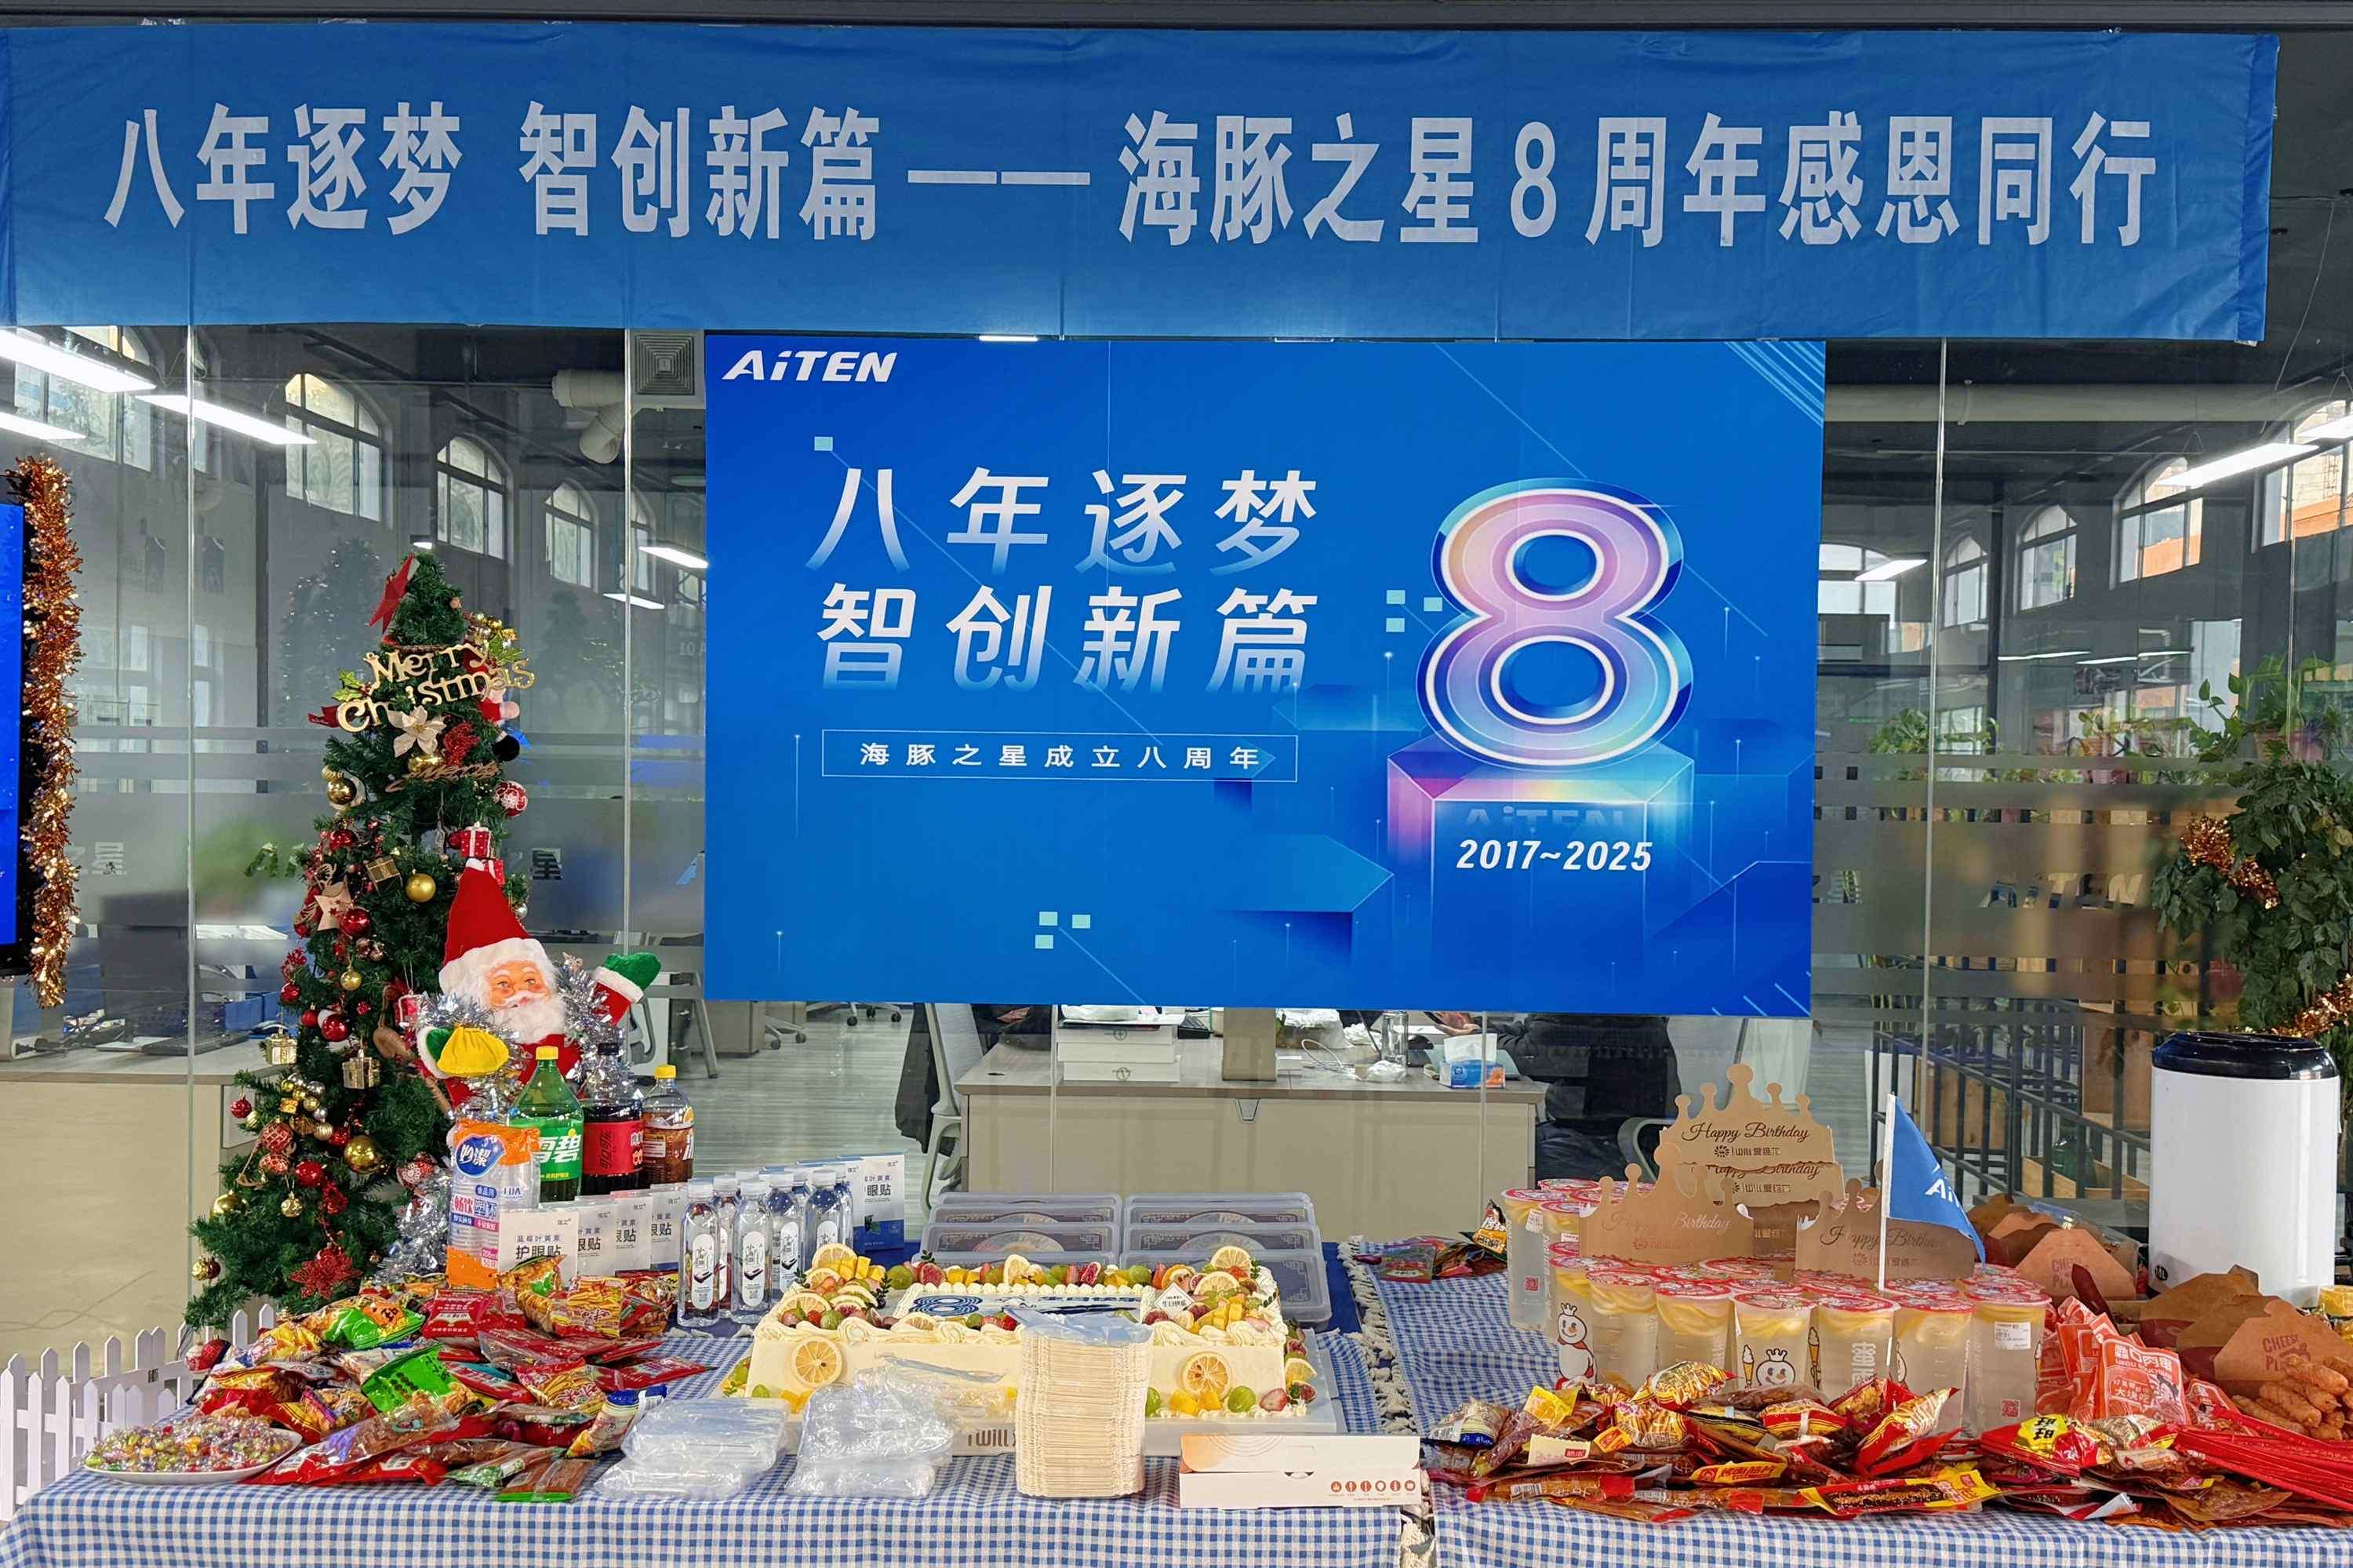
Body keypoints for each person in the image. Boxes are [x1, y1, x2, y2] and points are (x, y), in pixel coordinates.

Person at [1497, 1013, 1680, 1181]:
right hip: (1585, 1131)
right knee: (1504, 1142)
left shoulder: (1595, 1015)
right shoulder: (1604, 1008)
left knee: (1505, 1160)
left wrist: (1485, 1038)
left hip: (1618, 1146)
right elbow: (1531, 1033)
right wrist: (1483, 1031)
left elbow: (1529, 1056)